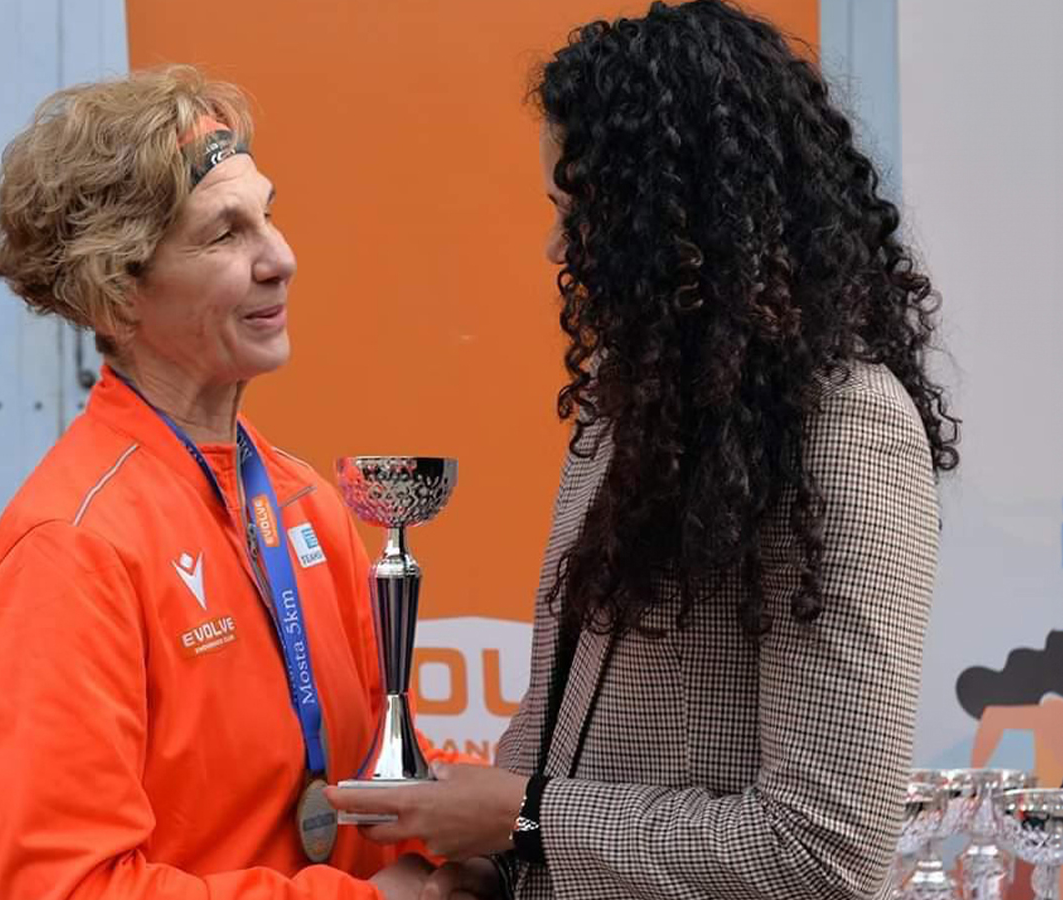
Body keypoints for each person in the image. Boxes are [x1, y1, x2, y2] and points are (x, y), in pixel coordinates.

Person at [326, 3, 961, 898]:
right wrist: (478, 867)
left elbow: (826, 849)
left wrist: (526, 820)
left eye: (583, 213)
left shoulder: (847, 425)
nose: (558, 246)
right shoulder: (631, 408)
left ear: (684, 222)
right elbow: (557, 738)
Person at [0, 65, 433, 900]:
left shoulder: (302, 501)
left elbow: (382, 774)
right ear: (114, 292)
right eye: (224, 234)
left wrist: (495, 833)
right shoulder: (70, 552)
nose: (280, 257)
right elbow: (71, 887)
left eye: (268, 214)